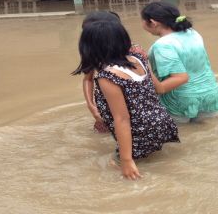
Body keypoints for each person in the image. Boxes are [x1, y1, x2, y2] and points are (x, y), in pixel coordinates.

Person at [72, 19, 179, 180]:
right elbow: (157, 88)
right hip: (162, 124)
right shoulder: (139, 58)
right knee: (154, 161)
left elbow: (122, 119)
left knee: (117, 171)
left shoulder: (107, 76)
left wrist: (125, 160)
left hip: (140, 132)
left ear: (88, 46)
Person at [141, 1, 218, 123]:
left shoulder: (162, 45)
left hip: (179, 101)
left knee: (182, 137)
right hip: (210, 94)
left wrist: (142, 64)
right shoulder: (192, 33)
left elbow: (179, 78)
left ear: (153, 22)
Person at [80, 11, 147, 133]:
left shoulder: (134, 51)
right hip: (107, 103)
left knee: (128, 130)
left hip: (134, 103)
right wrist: (91, 106)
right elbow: (88, 78)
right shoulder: (94, 51)